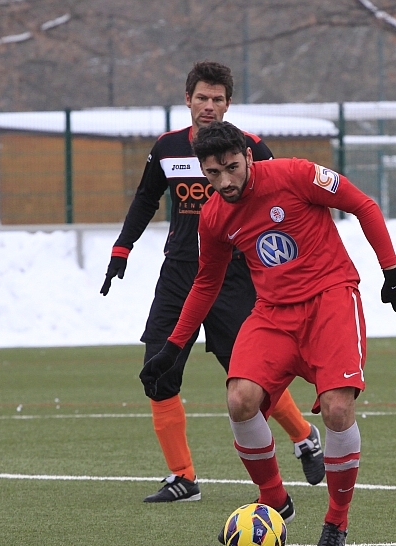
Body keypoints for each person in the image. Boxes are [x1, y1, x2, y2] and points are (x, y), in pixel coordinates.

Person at [139, 121, 396, 546]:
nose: (225, 181)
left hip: (330, 299)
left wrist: (392, 271)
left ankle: (336, 523)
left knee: (338, 409)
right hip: (271, 312)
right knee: (240, 400)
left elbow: (362, 204)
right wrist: (173, 348)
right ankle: (273, 497)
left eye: (232, 167)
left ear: (248, 157)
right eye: (213, 173)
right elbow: (206, 282)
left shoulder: (296, 174)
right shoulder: (213, 216)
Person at [100, 61, 324, 503]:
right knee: (157, 370)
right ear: (187, 99)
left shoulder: (251, 149)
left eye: (217, 99)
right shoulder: (167, 148)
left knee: (250, 376)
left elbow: (284, 204)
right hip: (180, 275)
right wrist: (122, 248)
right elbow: (145, 199)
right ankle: (182, 477)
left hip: (234, 277)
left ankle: (303, 436)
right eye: (201, 97)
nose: (208, 105)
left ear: (228, 104)